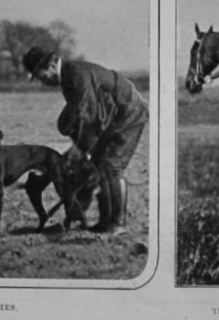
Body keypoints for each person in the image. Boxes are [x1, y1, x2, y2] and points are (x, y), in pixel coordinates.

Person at [24, 47, 148, 236]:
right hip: (113, 117)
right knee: (99, 166)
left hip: (129, 113)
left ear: (49, 65)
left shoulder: (75, 74)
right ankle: (105, 221)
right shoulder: (68, 78)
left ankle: (118, 223)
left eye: (40, 76)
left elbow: (89, 114)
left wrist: (82, 149)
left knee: (112, 166)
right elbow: (81, 114)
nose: (42, 82)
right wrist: (85, 148)